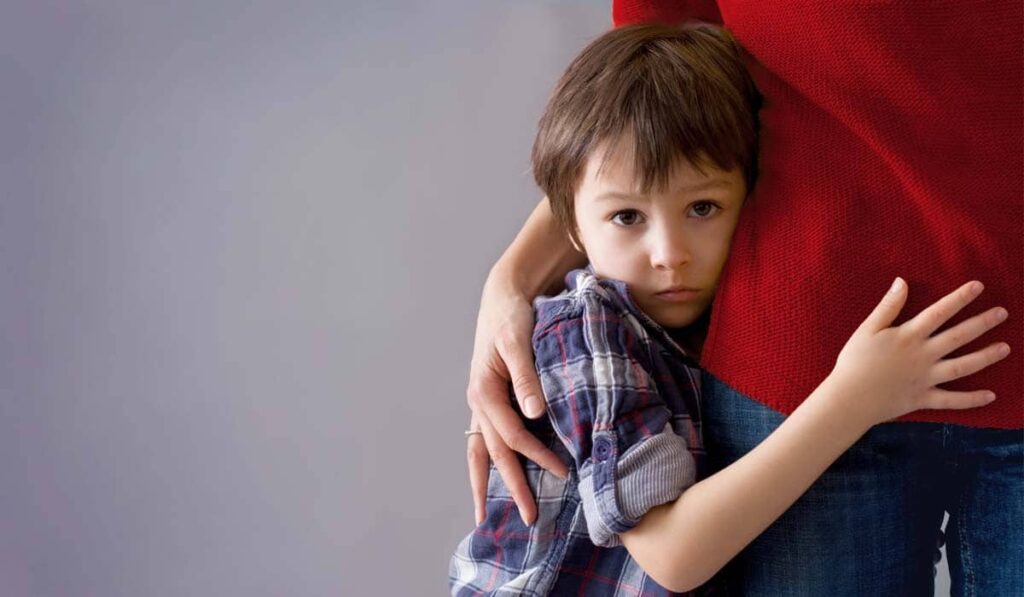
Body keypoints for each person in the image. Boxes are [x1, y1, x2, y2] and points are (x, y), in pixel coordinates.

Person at [463, 1, 1022, 595]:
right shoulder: (593, 340)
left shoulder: (660, 319)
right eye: (628, 218)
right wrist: (510, 286)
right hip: (801, 370)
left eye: (703, 209)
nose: (669, 254)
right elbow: (638, 120)